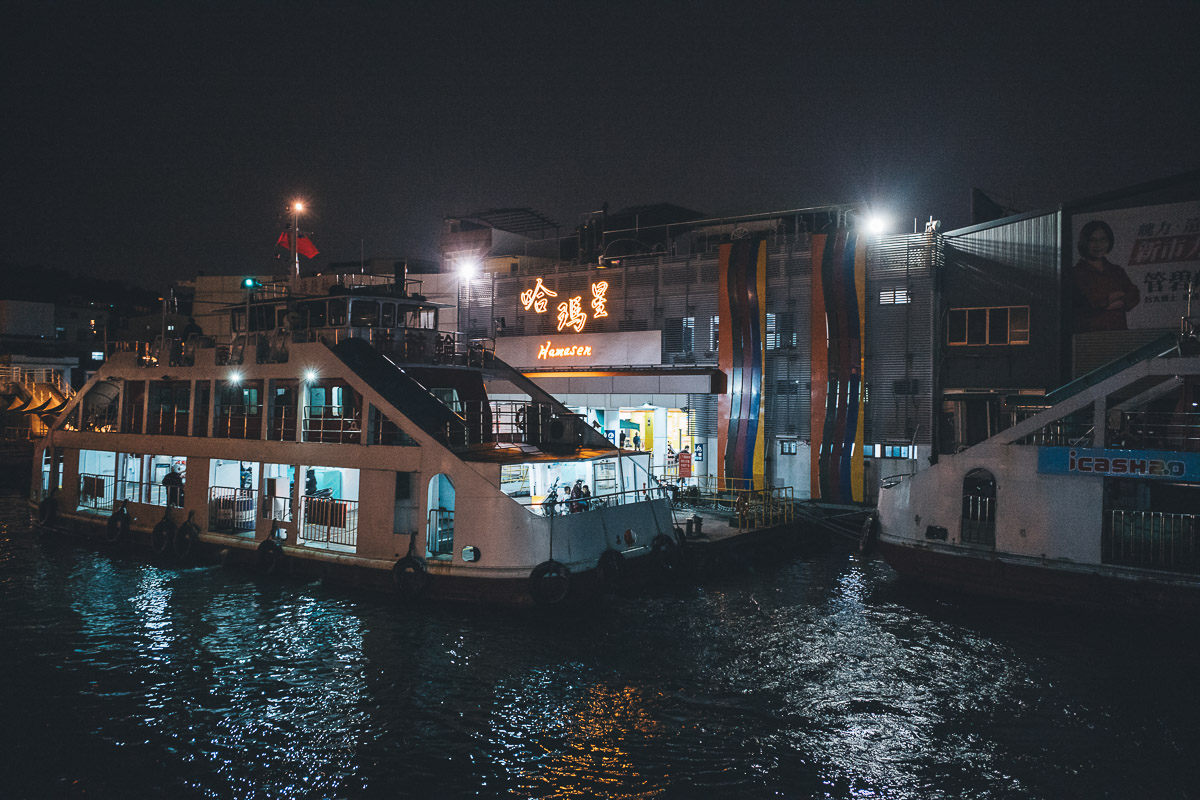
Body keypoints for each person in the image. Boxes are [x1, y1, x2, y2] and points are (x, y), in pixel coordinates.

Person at [1071, 220, 1140, 332]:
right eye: (1092, 240)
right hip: (1088, 335)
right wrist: (1112, 297)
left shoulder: (1116, 271)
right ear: (1084, 242)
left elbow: (1134, 294)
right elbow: (1087, 303)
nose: (1098, 245)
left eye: (1103, 240)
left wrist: (1119, 302)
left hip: (1118, 333)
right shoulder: (1075, 273)